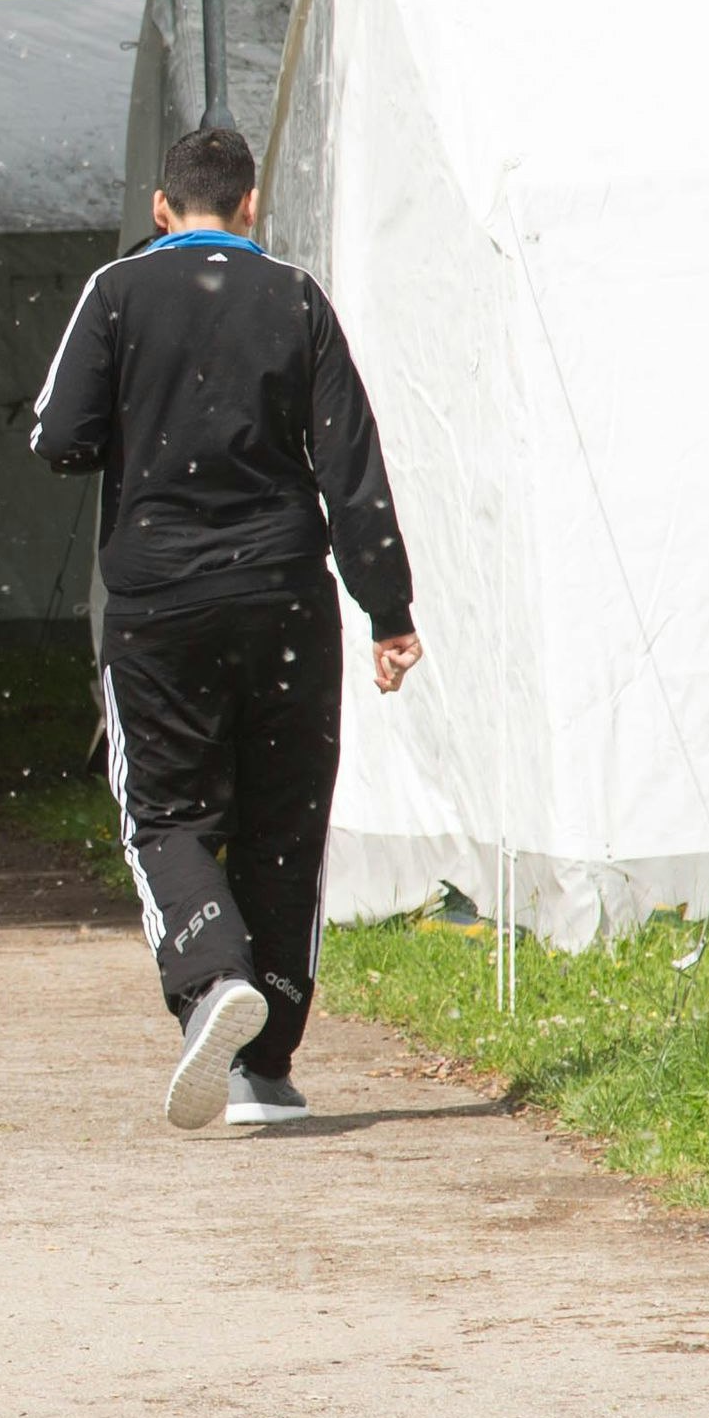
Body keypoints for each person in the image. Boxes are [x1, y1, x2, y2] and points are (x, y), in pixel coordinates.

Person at [29, 125, 420, 1130]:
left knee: (164, 809)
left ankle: (210, 978)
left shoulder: (116, 292)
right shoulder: (295, 298)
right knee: (284, 822)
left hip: (159, 600)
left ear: (162, 207)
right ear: (251, 206)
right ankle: (267, 1067)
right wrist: (388, 610)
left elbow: (58, 440)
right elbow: (352, 465)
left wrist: (143, 416)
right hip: (284, 591)